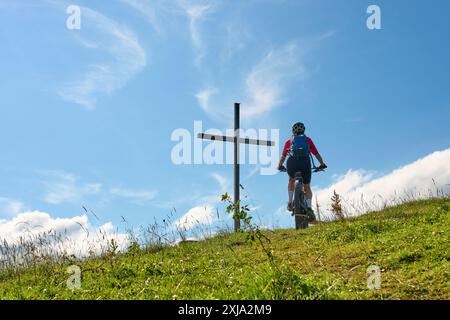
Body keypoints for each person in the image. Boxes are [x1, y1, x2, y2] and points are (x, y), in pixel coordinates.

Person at [278, 122, 327, 219]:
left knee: (291, 180)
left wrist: (280, 165)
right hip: (305, 163)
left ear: (293, 131)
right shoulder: (307, 140)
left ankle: (290, 202)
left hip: (292, 163)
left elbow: (283, 156)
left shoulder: (289, 141)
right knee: (307, 186)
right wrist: (322, 164)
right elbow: (316, 154)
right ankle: (309, 208)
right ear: (304, 130)